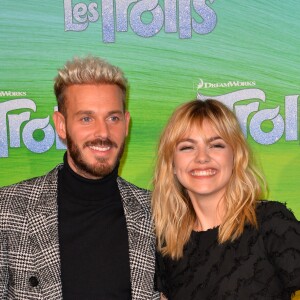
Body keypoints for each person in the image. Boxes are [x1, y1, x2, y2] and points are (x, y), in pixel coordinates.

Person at [0, 56, 159, 300]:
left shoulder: (157, 213)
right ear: (61, 126)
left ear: (126, 124)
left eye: (113, 118)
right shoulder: (9, 209)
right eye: (86, 118)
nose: (103, 133)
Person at [152, 99, 300, 300]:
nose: (202, 157)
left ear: (236, 156)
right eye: (187, 147)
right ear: (172, 164)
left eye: (216, 145)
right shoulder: (169, 244)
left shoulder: (271, 222)